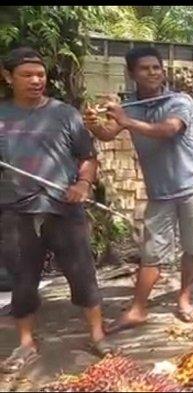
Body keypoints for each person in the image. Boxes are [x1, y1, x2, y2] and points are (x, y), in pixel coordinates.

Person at [0, 47, 115, 372]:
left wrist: (82, 185)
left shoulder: (65, 114)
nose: (36, 80)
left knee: (82, 274)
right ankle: (26, 344)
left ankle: (97, 335)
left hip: (64, 208)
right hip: (16, 211)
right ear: (7, 77)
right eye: (27, 75)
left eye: (40, 74)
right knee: (23, 279)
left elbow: (87, 157)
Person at [83, 46, 193, 333]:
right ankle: (138, 310)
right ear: (131, 74)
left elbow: (168, 130)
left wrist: (126, 121)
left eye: (156, 67)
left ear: (163, 70)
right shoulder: (130, 107)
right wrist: (94, 125)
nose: (152, 72)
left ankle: (184, 299)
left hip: (192, 186)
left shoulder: (180, 101)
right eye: (144, 68)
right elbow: (107, 134)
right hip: (160, 191)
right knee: (152, 252)